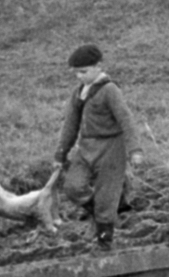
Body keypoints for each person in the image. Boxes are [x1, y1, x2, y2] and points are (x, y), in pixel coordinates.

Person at [53, 43, 144, 250]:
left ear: (98, 67)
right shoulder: (79, 93)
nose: (79, 77)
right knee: (73, 187)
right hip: (86, 146)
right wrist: (60, 153)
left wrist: (135, 150)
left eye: (83, 72)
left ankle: (105, 241)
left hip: (111, 148)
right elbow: (70, 125)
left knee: (106, 196)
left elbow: (126, 119)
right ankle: (97, 214)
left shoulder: (110, 90)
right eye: (76, 73)